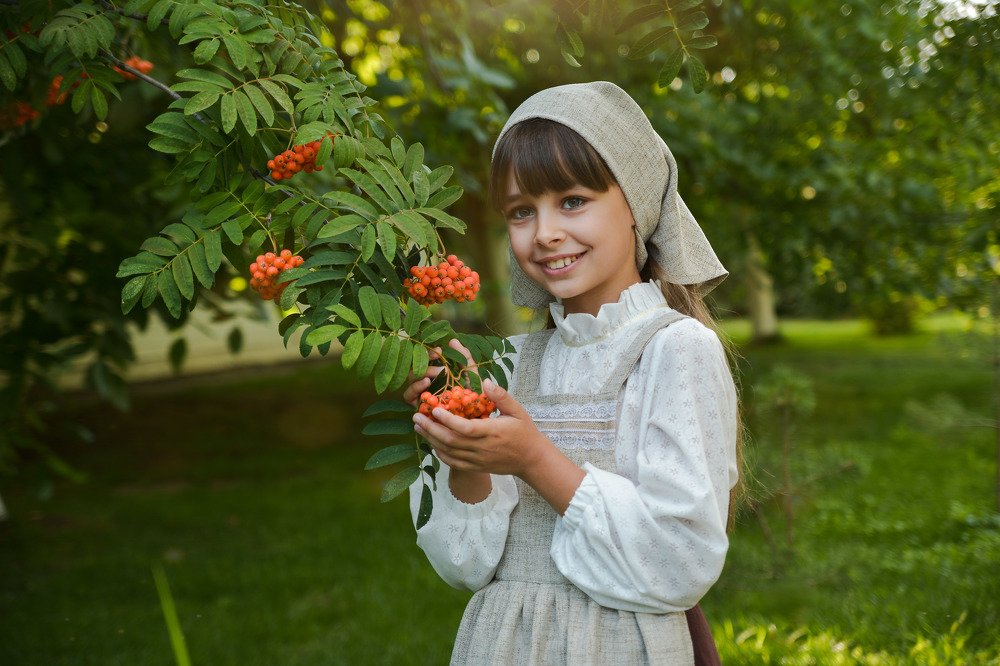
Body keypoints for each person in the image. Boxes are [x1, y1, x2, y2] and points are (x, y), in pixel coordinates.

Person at [404, 81, 741, 665]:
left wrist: (533, 458)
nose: (545, 233)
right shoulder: (503, 363)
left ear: (637, 204)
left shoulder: (673, 350)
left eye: (573, 201)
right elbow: (463, 565)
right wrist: (463, 453)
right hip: (502, 645)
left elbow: (679, 561)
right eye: (520, 211)